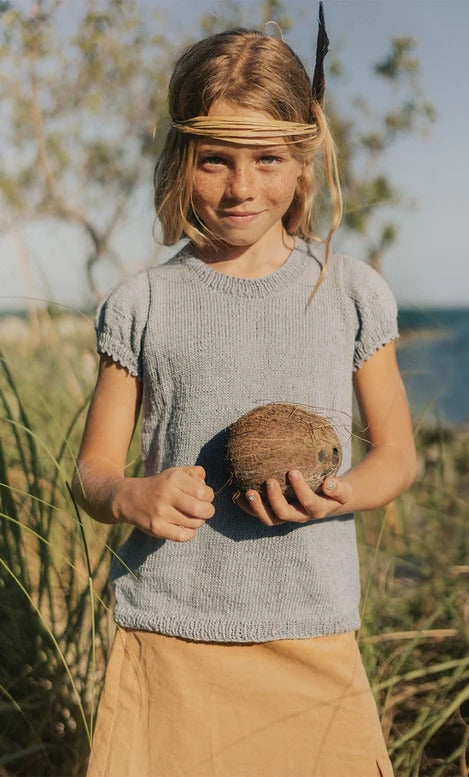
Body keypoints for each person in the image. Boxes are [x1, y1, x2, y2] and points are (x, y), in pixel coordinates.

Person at [73, 12, 417, 777]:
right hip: (170, 636)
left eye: (266, 158)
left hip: (311, 634)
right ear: (179, 160)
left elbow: (395, 456)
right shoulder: (142, 303)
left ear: (302, 160)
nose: (240, 187)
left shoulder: (349, 292)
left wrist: (340, 493)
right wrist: (132, 495)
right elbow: (90, 473)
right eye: (215, 160)